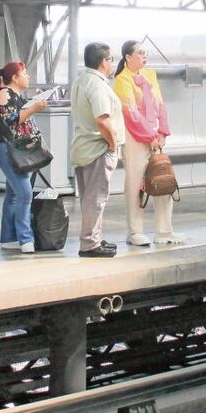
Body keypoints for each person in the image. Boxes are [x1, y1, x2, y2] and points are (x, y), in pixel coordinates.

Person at [113, 40, 183, 247]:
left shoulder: (150, 75)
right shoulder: (121, 80)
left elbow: (161, 104)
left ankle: (164, 230)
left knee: (163, 177)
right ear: (127, 57)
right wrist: (149, 137)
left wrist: (162, 132)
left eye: (146, 53)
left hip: (155, 136)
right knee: (135, 184)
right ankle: (135, 231)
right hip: (135, 138)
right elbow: (131, 113)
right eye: (140, 53)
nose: (145, 56)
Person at [70, 42, 125, 258]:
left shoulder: (82, 80)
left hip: (83, 147)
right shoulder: (97, 84)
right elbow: (102, 119)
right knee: (96, 199)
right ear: (104, 61)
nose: (112, 63)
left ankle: (94, 238)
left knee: (90, 198)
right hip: (97, 149)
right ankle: (90, 244)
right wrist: (113, 145)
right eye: (111, 59)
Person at [0, 61, 47, 254]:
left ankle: (9, 237)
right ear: (15, 77)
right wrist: (34, 108)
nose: (28, 77)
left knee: (14, 194)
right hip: (9, 150)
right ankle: (25, 239)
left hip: (18, 150)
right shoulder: (4, 94)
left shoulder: (15, 96)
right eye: (24, 73)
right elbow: (12, 120)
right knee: (24, 193)